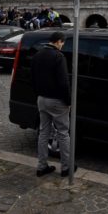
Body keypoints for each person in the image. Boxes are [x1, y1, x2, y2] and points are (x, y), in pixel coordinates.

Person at [31, 31, 75, 177]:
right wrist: (68, 101)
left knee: (44, 132)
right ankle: (66, 167)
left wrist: (38, 93)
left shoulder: (38, 55)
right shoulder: (58, 56)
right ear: (58, 42)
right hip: (57, 100)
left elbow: (33, 77)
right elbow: (64, 82)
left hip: (41, 99)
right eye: (62, 43)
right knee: (63, 133)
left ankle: (41, 166)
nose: (62, 46)